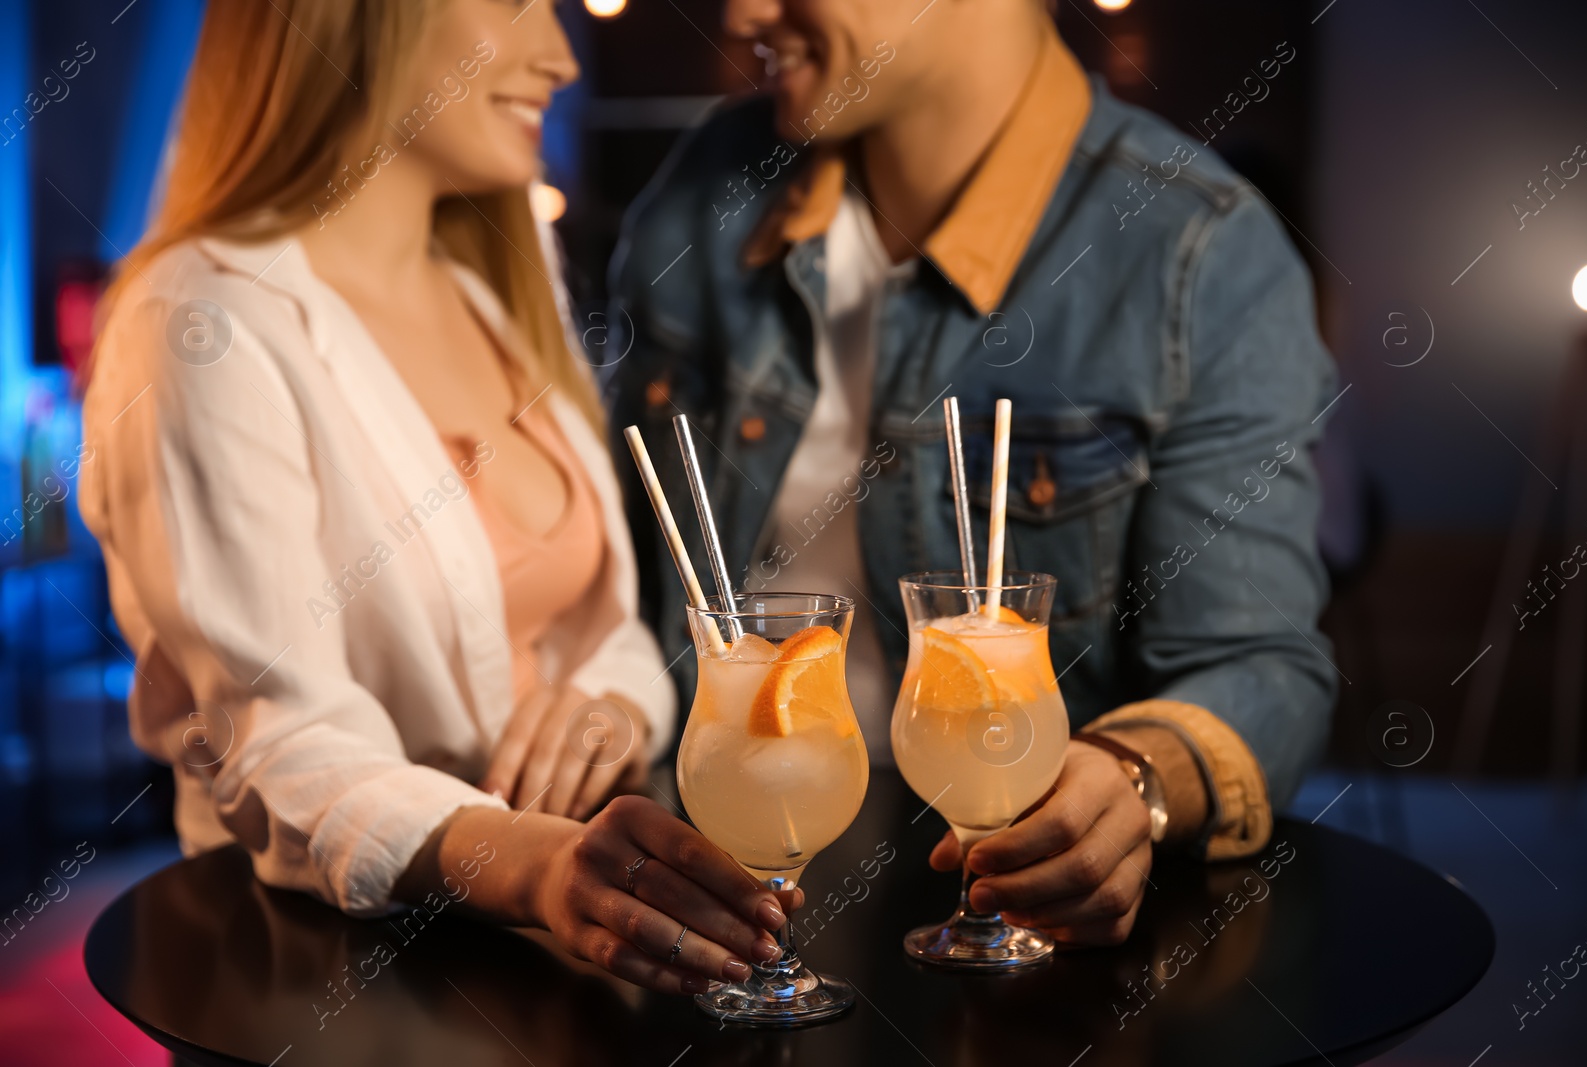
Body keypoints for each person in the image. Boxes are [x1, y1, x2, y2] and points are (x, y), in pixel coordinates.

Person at [79, 0, 791, 996]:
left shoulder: (501, 281)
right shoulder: (203, 320)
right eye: (515, 3)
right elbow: (274, 742)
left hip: (545, 962)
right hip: (323, 979)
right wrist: (533, 860)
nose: (559, 59)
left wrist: (613, 711)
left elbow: (608, 629)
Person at [611, 0, 1338, 945]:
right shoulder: (706, 188)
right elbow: (616, 571)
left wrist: (1133, 775)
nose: (744, 11)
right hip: (707, 886)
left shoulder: (1196, 251)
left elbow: (1261, 669)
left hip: (999, 921)